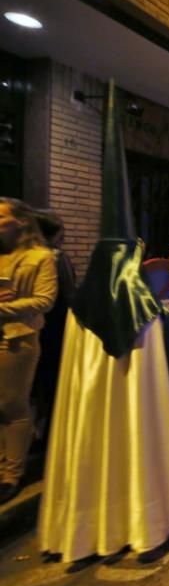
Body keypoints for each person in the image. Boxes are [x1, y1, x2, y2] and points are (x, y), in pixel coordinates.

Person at [39, 80, 169, 559]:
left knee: (86, 438)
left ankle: (86, 521)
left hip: (91, 420)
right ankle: (144, 510)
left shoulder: (81, 310)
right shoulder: (144, 312)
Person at [0, 199, 56, 503]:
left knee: (12, 404)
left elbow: (44, 300)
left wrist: (5, 307)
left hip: (17, 338)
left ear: (20, 221)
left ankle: (12, 474)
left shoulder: (40, 256)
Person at [31, 209, 75, 445]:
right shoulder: (55, 257)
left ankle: (45, 435)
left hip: (46, 329)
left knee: (44, 386)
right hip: (52, 329)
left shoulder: (54, 258)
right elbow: (68, 297)